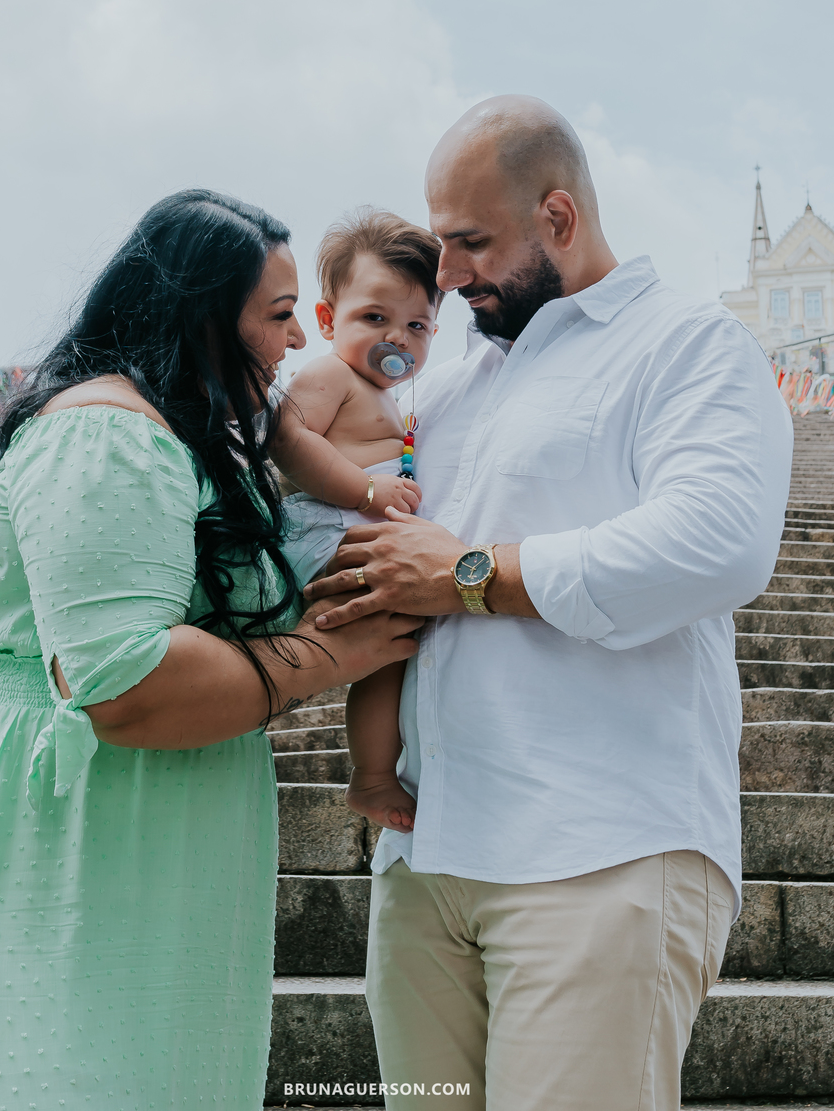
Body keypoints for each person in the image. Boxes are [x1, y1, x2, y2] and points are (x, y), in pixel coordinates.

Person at [0, 189, 421, 1111]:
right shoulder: (110, 434)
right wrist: (331, 654)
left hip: (118, 886)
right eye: (279, 318)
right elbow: (130, 684)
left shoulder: (187, 438)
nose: (295, 348)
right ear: (203, 315)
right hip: (45, 880)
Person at [305, 98, 793, 1111]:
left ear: (559, 219)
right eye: (440, 244)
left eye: (471, 243)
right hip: (426, 857)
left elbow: (718, 541)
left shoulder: (687, 344)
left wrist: (471, 573)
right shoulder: (441, 388)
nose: (443, 276)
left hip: (597, 850)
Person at [272, 208, 442, 831]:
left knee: (391, 647)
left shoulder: (385, 394)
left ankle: (373, 777)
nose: (398, 338)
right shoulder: (329, 373)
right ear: (326, 320)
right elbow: (286, 439)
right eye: (375, 318)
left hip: (355, 531)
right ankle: (369, 774)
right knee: (385, 635)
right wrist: (369, 493)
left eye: (417, 325)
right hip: (324, 529)